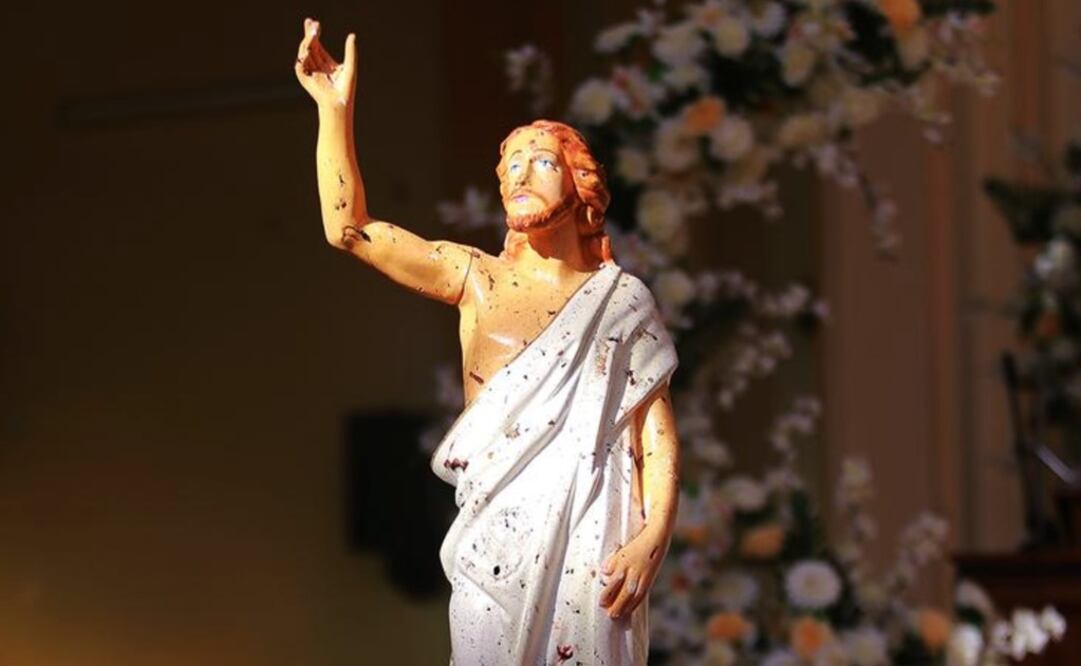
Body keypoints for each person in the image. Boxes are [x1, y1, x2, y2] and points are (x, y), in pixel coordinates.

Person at [295, 18, 680, 665]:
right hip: (493, 537)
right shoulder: (477, 277)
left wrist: (652, 537)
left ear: (579, 183)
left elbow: (654, 434)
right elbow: (350, 230)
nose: (518, 175)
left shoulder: (620, 301)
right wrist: (334, 111)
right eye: (508, 167)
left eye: (539, 161)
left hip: (591, 532)